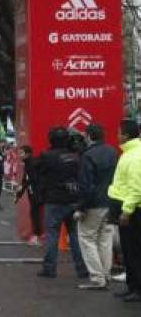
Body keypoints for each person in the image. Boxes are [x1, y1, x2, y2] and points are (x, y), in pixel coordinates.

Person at [37, 127, 88, 279]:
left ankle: (49, 268)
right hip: (74, 199)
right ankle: (82, 269)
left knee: (52, 234)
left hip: (54, 200)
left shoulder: (47, 156)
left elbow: (40, 173)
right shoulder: (77, 156)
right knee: (75, 236)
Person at [72, 124, 117, 290]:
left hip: (93, 204)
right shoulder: (113, 152)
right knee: (105, 239)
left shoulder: (88, 155)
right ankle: (106, 273)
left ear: (89, 136)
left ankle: (97, 278)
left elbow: (86, 185)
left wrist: (81, 208)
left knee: (87, 238)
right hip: (111, 201)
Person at [108, 120, 141, 302]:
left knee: (134, 251)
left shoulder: (135, 156)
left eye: (119, 132)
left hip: (133, 211)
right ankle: (132, 286)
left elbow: (136, 187)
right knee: (128, 251)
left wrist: (127, 211)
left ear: (126, 135)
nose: (117, 135)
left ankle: (137, 289)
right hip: (127, 208)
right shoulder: (128, 153)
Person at [15, 145, 43, 246]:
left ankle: (37, 237)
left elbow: (29, 180)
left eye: (21, 153)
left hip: (36, 192)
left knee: (35, 214)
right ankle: (37, 235)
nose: (19, 155)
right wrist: (19, 194)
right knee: (35, 213)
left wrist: (21, 192)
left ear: (28, 153)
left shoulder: (31, 163)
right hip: (35, 192)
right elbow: (25, 179)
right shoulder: (28, 163)